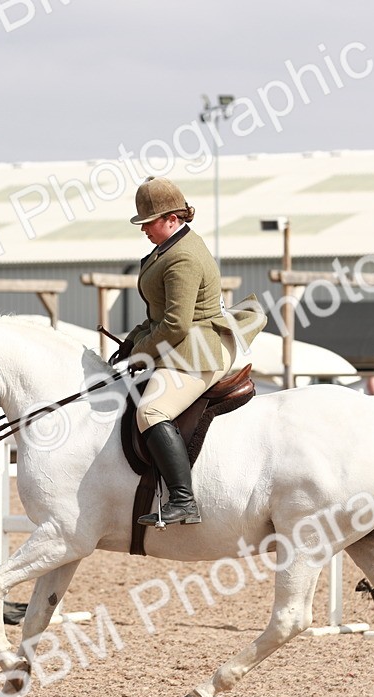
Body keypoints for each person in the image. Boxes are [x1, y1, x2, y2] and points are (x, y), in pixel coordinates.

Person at [109, 177, 265, 527]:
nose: (144, 229)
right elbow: (159, 315)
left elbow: (176, 325)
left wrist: (142, 354)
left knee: (150, 412)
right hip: (184, 342)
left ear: (172, 219)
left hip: (200, 348)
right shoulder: (166, 250)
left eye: (149, 222)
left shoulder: (183, 257)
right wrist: (134, 340)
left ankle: (183, 499)